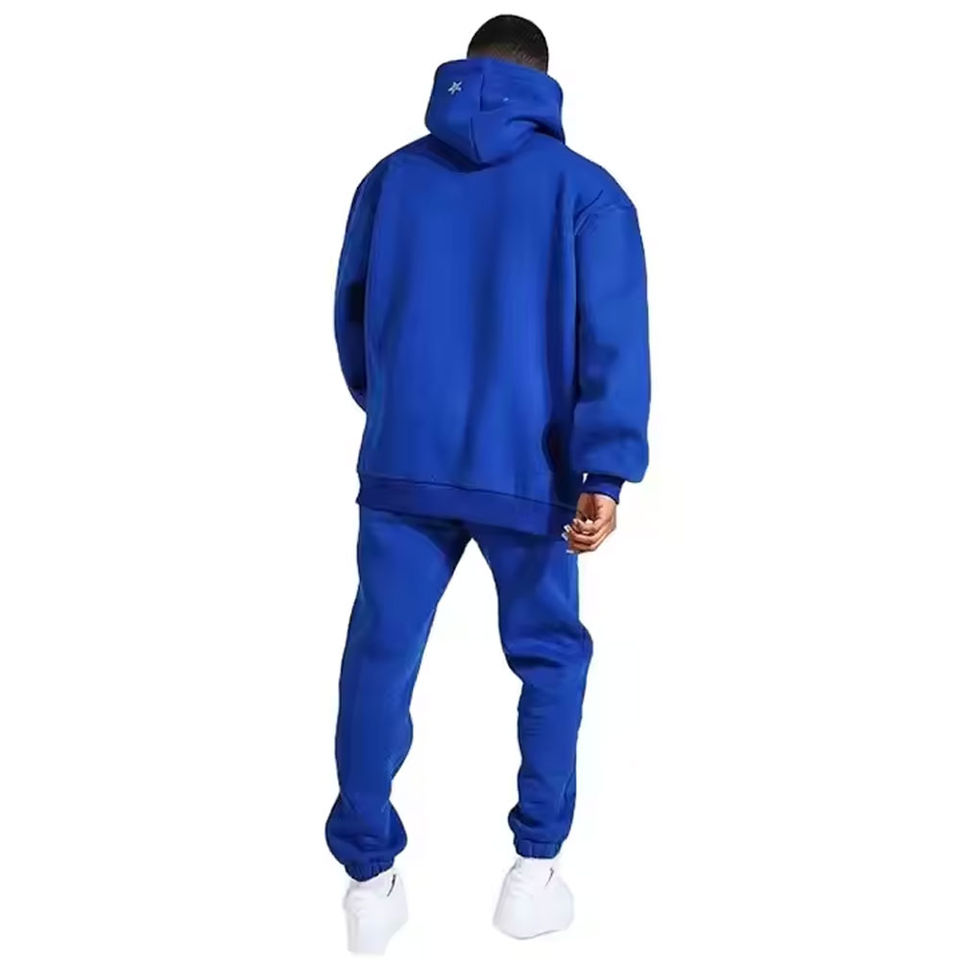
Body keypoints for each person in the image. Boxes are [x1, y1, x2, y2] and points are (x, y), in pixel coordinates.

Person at [326, 14, 650, 953]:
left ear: (462, 74)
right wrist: (604, 469)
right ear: (543, 82)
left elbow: (352, 319)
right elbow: (613, 342)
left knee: (379, 658)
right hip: (530, 469)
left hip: (403, 462)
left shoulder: (390, 181)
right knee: (549, 658)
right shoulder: (587, 192)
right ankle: (533, 874)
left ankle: (368, 884)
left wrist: (399, 414)